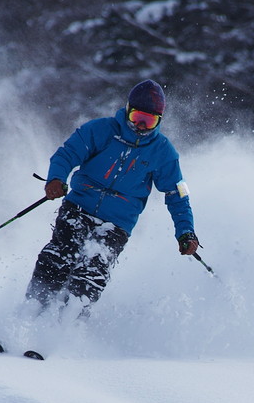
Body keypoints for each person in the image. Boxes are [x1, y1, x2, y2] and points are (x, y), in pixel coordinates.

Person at [26, 79, 199, 318]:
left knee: (92, 268)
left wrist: (186, 232)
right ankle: (32, 310)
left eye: (150, 121)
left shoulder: (163, 152)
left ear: (159, 121)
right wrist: (56, 179)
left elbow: (177, 195)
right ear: (127, 109)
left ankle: (66, 322)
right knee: (59, 256)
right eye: (138, 117)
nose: (141, 126)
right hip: (79, 206)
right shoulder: (100, 130)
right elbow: (67, 154)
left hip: (117, 222)